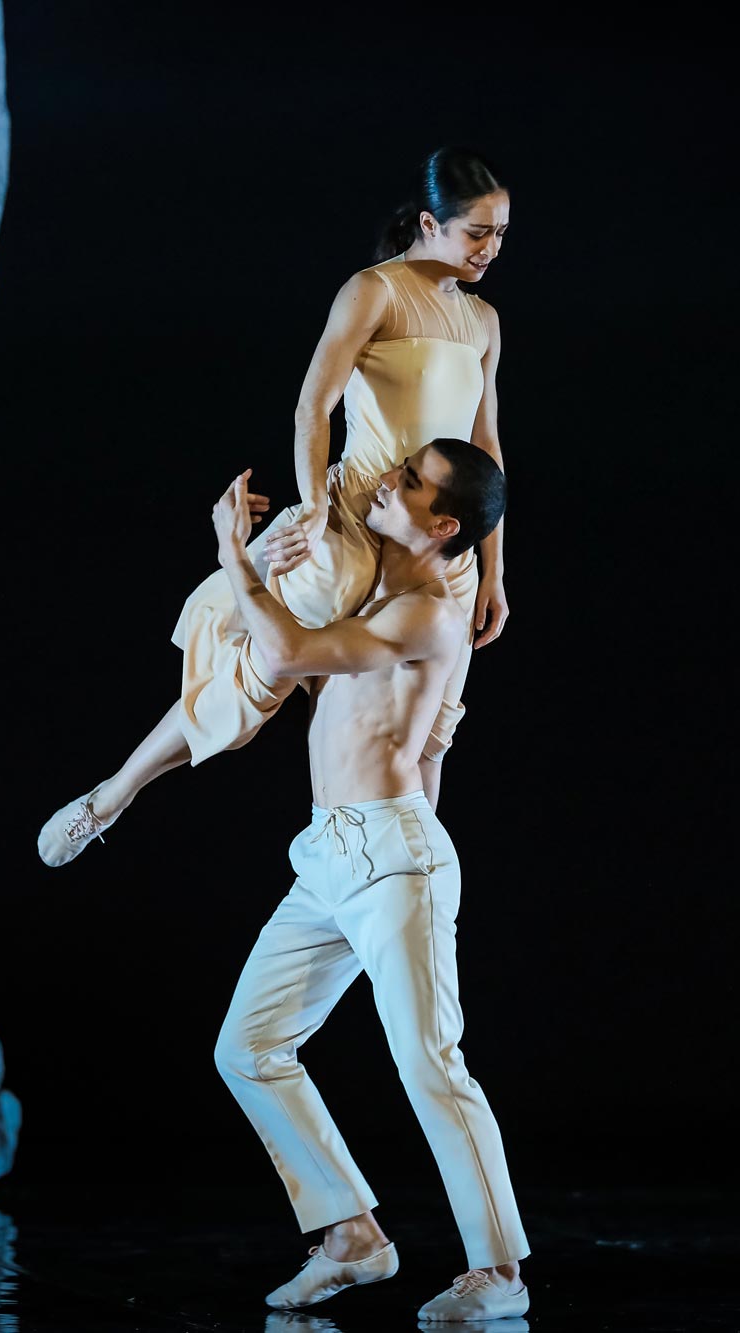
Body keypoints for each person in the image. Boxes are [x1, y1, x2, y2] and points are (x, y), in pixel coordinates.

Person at [39, 147, 513, 868]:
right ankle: (113, 794)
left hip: (440, 541)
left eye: (501, 233)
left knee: (429, 727)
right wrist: (315, 507)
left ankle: (411, 879)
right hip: (361, 514)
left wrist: (493, 568)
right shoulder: (374, 292)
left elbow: (487, 449)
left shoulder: (483, 321)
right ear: (429, 223)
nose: (491, 248)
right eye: (477, 231)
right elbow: (311, 407)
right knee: (259, 675)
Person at [204, 440, 531, 1322]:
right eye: (402, 467)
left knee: (429, 1061)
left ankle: (500, 1272)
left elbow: (286, 655)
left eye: (411, 482)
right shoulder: (375, 590)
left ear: (444, 526)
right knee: (248, 1047)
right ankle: (352, 1235)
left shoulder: (430, 611)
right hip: (328, 853)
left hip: (391, 854)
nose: (390, 479)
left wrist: (234, 555)